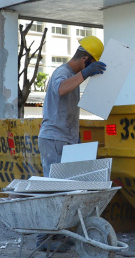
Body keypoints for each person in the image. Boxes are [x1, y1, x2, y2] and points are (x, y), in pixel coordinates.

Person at [38, 35, 107, 177]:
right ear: (85, 59)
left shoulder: (73, 76)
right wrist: (85, 73)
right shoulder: (62, 72)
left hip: (65, 139)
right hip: (55, 138)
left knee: (67, 183)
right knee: (56, 184)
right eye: (92, 64)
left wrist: (74, 136)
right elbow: (61, 89)